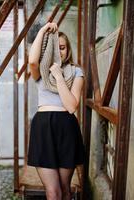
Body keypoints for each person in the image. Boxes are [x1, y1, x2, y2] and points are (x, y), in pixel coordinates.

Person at [27, 22, 85, 200]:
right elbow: (32, 61)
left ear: (68, 50)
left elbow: (71, 106)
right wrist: (44, 30)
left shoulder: (76, 72)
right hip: (43, 128)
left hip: (66, 129)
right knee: (53, 192)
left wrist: (59, 75)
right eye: (55, 47)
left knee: (65, 189)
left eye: (62, 48)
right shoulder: (40, 74)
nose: (59, 52)